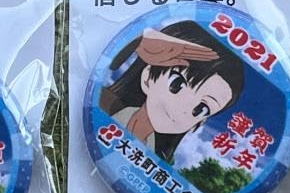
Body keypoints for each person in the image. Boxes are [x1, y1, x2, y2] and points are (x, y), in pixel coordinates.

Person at [100, 21, 245, 163]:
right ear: (148, 77)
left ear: (199, 123)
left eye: (201, 108)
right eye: (177, 84)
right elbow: (106, 65)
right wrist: (138, 41)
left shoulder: (158, 164)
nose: (182, 108)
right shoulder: (101, 104)